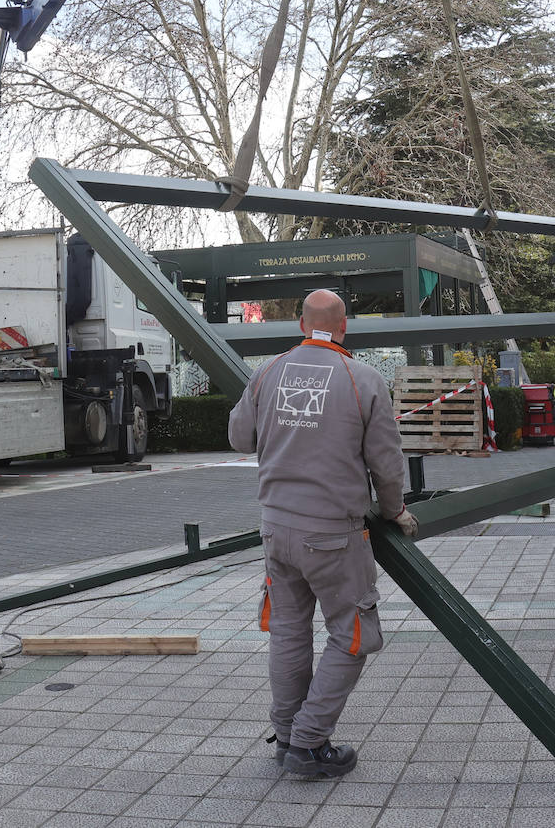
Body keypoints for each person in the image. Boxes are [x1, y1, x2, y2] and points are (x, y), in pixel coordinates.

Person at [227, 289, 417, 779]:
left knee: (288, 634)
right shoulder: (363, 379)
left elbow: (238, 438)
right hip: (333, 534)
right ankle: (309, 744)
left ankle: (287, 735)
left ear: (299, 325)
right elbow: (386, 462)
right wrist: (394, 510)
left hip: (276, 529)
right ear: (345, 326)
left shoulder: (268, 372)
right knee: (356, 635)